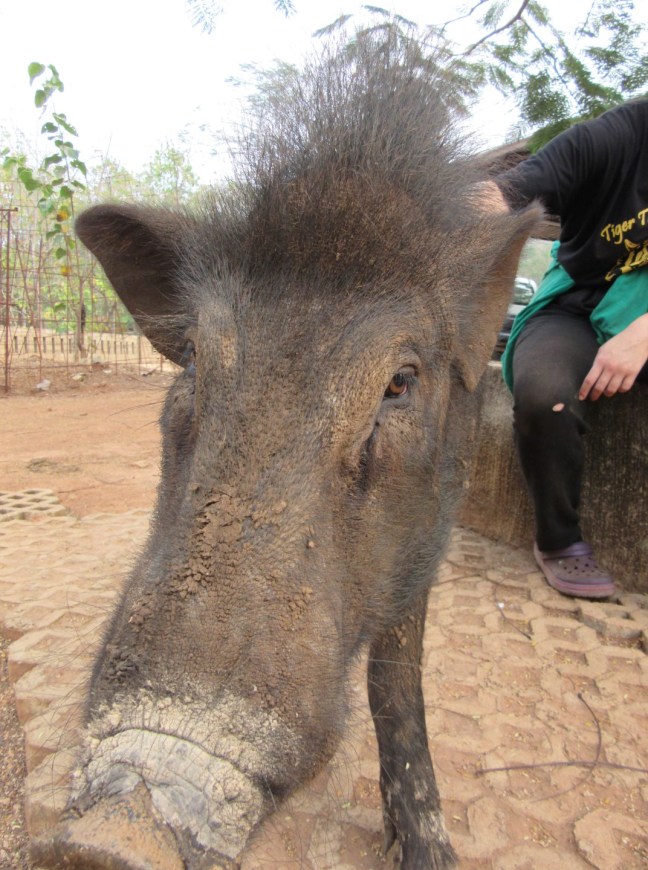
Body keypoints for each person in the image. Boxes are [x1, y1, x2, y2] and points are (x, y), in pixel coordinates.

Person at [488, 98, 648, 598]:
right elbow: (507, 190)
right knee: (545, 396)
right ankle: (558, 540)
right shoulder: (619, 135)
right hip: (577, 303)